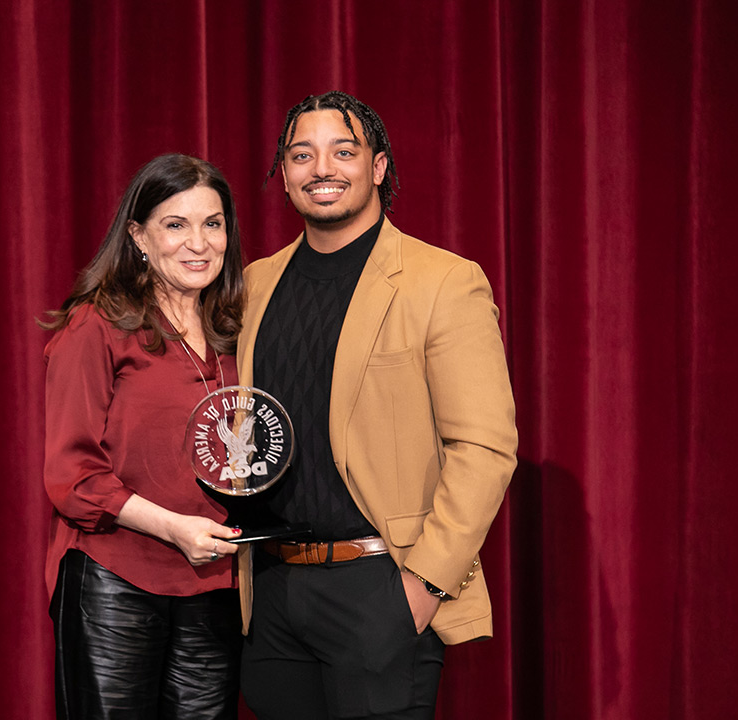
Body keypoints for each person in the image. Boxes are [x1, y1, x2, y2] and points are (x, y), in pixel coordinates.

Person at [236, 91, 518, 719]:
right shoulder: (255, 283)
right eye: (301, 155)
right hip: (273, 595)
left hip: (379, 588)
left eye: (344, 151)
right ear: (284, 174)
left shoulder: (443, 281)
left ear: (379, 167)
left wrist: (421, 588)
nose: (322, 169)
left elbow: (485, 447)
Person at [42, 153, 247, 720]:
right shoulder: (97, 324)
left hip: (217, 590)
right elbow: (73, 476)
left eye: (213, 223)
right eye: (175, 225)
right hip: (116, 583)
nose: (198, 243)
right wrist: (174, 528)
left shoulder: (240, 333)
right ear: (139, 236)